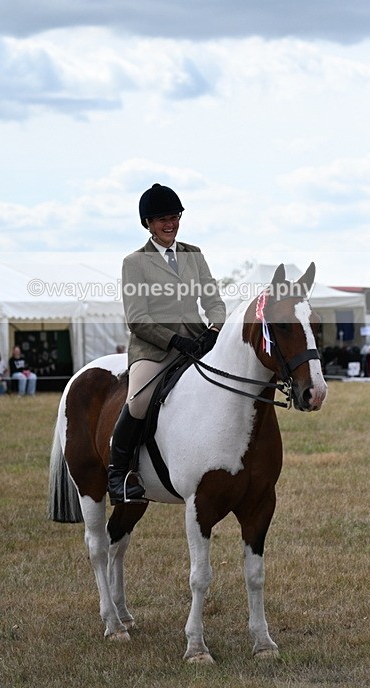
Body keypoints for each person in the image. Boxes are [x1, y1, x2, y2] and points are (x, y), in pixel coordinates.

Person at [108, 182, 226, 504]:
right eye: (162, 219)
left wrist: (215, 330)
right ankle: (119, 473)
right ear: (148, 223)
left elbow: (213, 300)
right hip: (154, 347)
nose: (170, 223)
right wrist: (174, 340)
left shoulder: (194, 255)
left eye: (174, 217)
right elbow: (137, 318)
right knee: (140, 401)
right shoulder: (134, 262)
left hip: (199, 341)